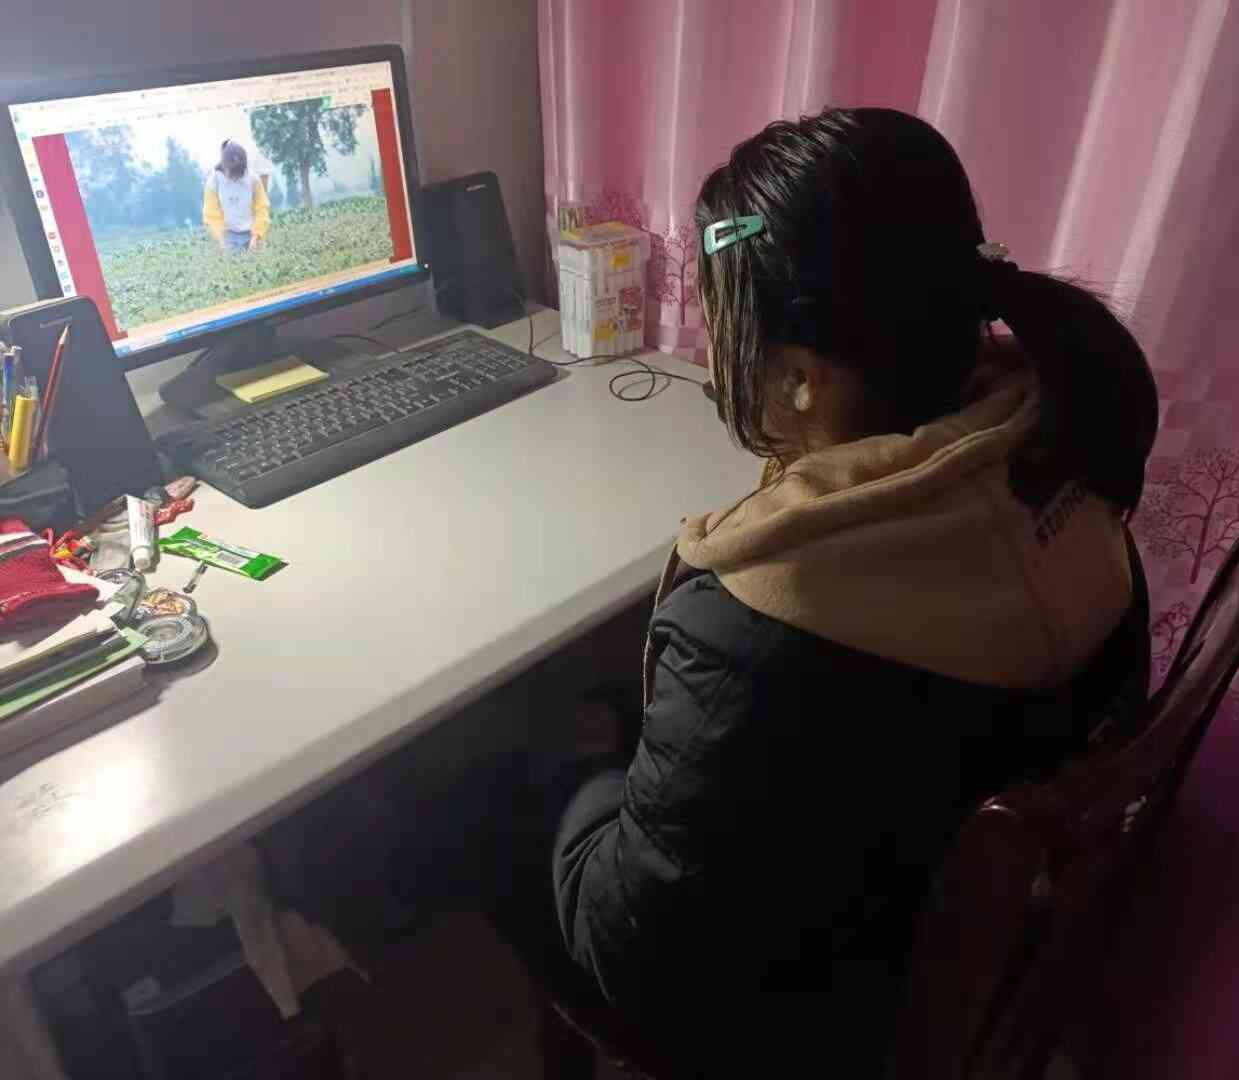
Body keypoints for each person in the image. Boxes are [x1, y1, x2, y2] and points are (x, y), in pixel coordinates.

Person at [402, 107, 1159, 1078]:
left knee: (472, 791)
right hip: (939, 895)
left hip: (812, 1015)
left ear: (802, 377)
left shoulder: (759, 633)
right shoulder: (1061, 453)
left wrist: (584, 759)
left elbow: (625, 943)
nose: (719, 356)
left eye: (727, 329)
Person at [203, 139, 270, 253]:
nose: (234, 179)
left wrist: (256, 237)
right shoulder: (214, 181)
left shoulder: (253, 179)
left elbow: (261, 210)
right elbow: (211, 214)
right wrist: (221, 240)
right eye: (232, 175)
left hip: (251, 233)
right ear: (224, 167)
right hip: (227, 235)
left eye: (238, 175)